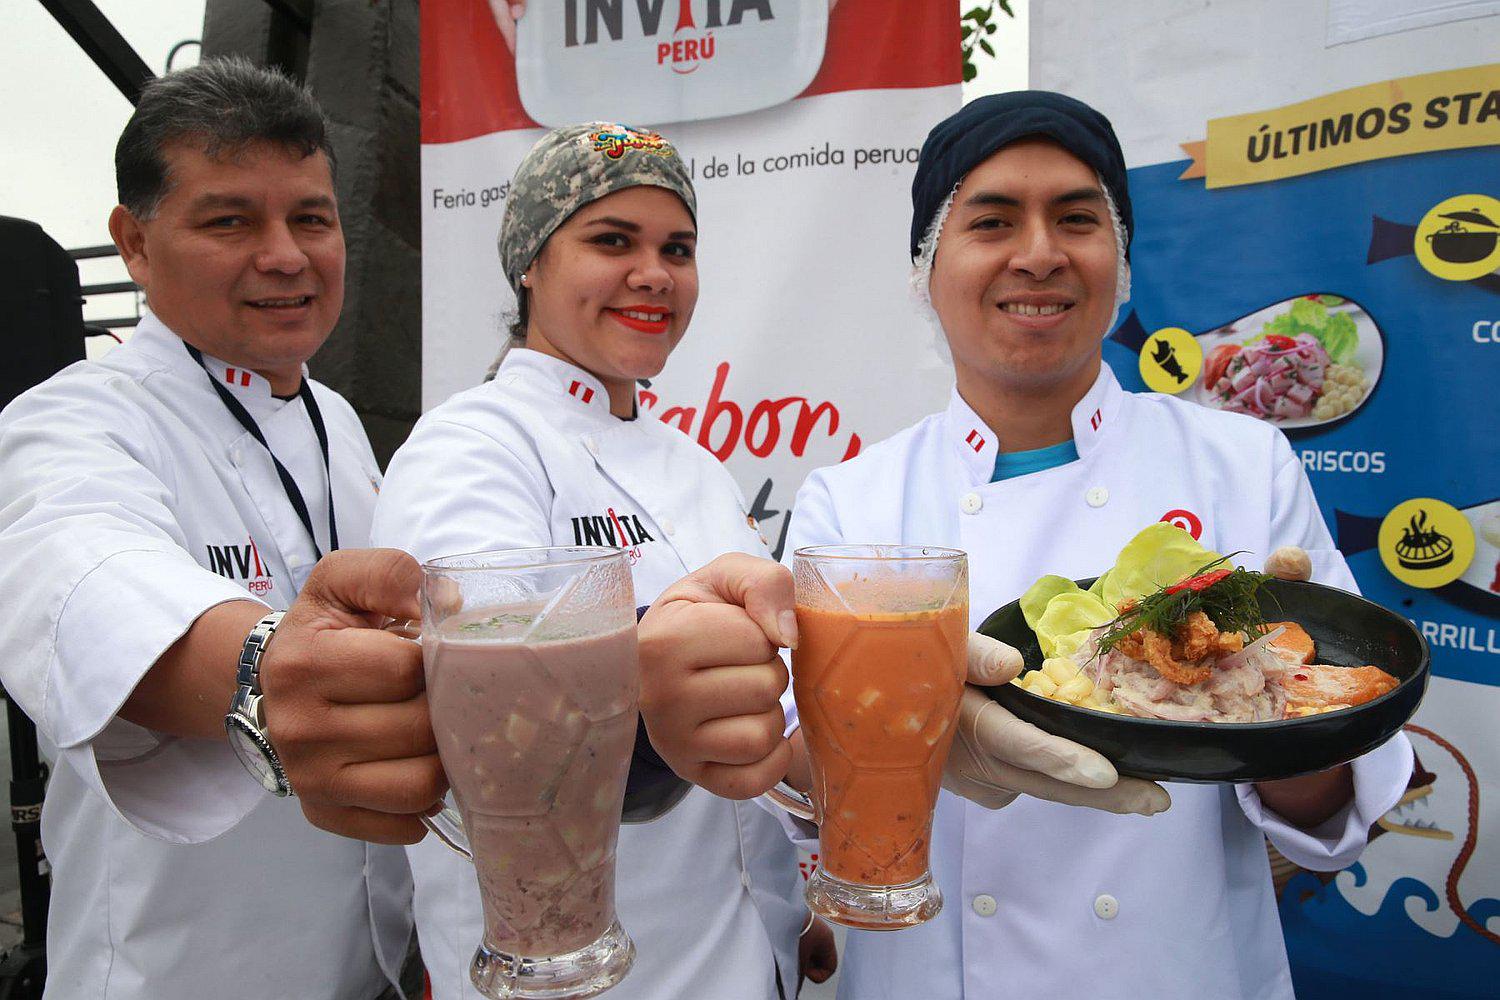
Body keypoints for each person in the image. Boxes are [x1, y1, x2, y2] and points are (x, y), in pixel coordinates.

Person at [767, 92, 1412, 998]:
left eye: (1077, 218)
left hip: (1174, 965)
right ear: (926, 268)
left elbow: (1330, 807)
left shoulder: (1243, 463)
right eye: (991, 221)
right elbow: (806, 785)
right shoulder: (854, 498)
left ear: (1120, 263)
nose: (1039, 253)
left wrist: (1279, 710)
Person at [0, 59, 447, 999]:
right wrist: (264, 673)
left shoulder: (337, 420)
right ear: (133, 240)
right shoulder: (73, 419)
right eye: (229, 219)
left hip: (371, 971)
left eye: (311, 219)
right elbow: (75, 571)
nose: (286, 255)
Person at [370, 121, 843, 1000]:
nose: (654, 273)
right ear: (529, 263)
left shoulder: (693, 464)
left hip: (750, 958)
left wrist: (783, 902)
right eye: (611, 240)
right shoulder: (471, 447)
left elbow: (759, 711)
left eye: (678, 247)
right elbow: (494, 726)